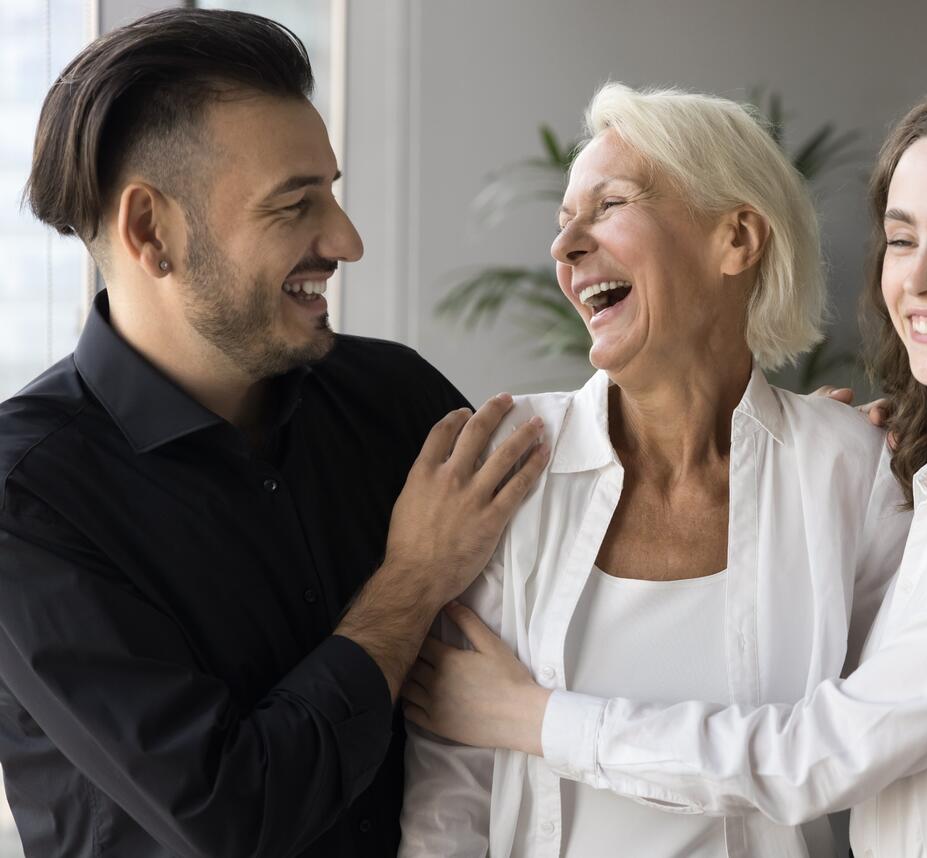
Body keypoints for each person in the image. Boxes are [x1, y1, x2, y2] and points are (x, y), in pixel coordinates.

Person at [410, 66, 927, 858]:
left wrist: (531, 717)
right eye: (900, 238)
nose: (919, 275)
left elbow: (823, 752)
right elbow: (449, 790)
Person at [0, 9, 546, 857]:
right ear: (151, 230)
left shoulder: (394, 396)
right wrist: (411, 579)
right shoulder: (25, 499)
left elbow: (569, 578)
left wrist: (782, 452)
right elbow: (231, 812)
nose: (346, 239)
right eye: (296, 205)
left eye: (331, 190)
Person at [397, 84, 910, 858]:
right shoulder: (511, 462)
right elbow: (451, 786)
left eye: (608, 205)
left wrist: (533, 716)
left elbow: (882, 747)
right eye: (563, 220)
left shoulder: (848, 471)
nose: (565, 249)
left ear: (736, 238)